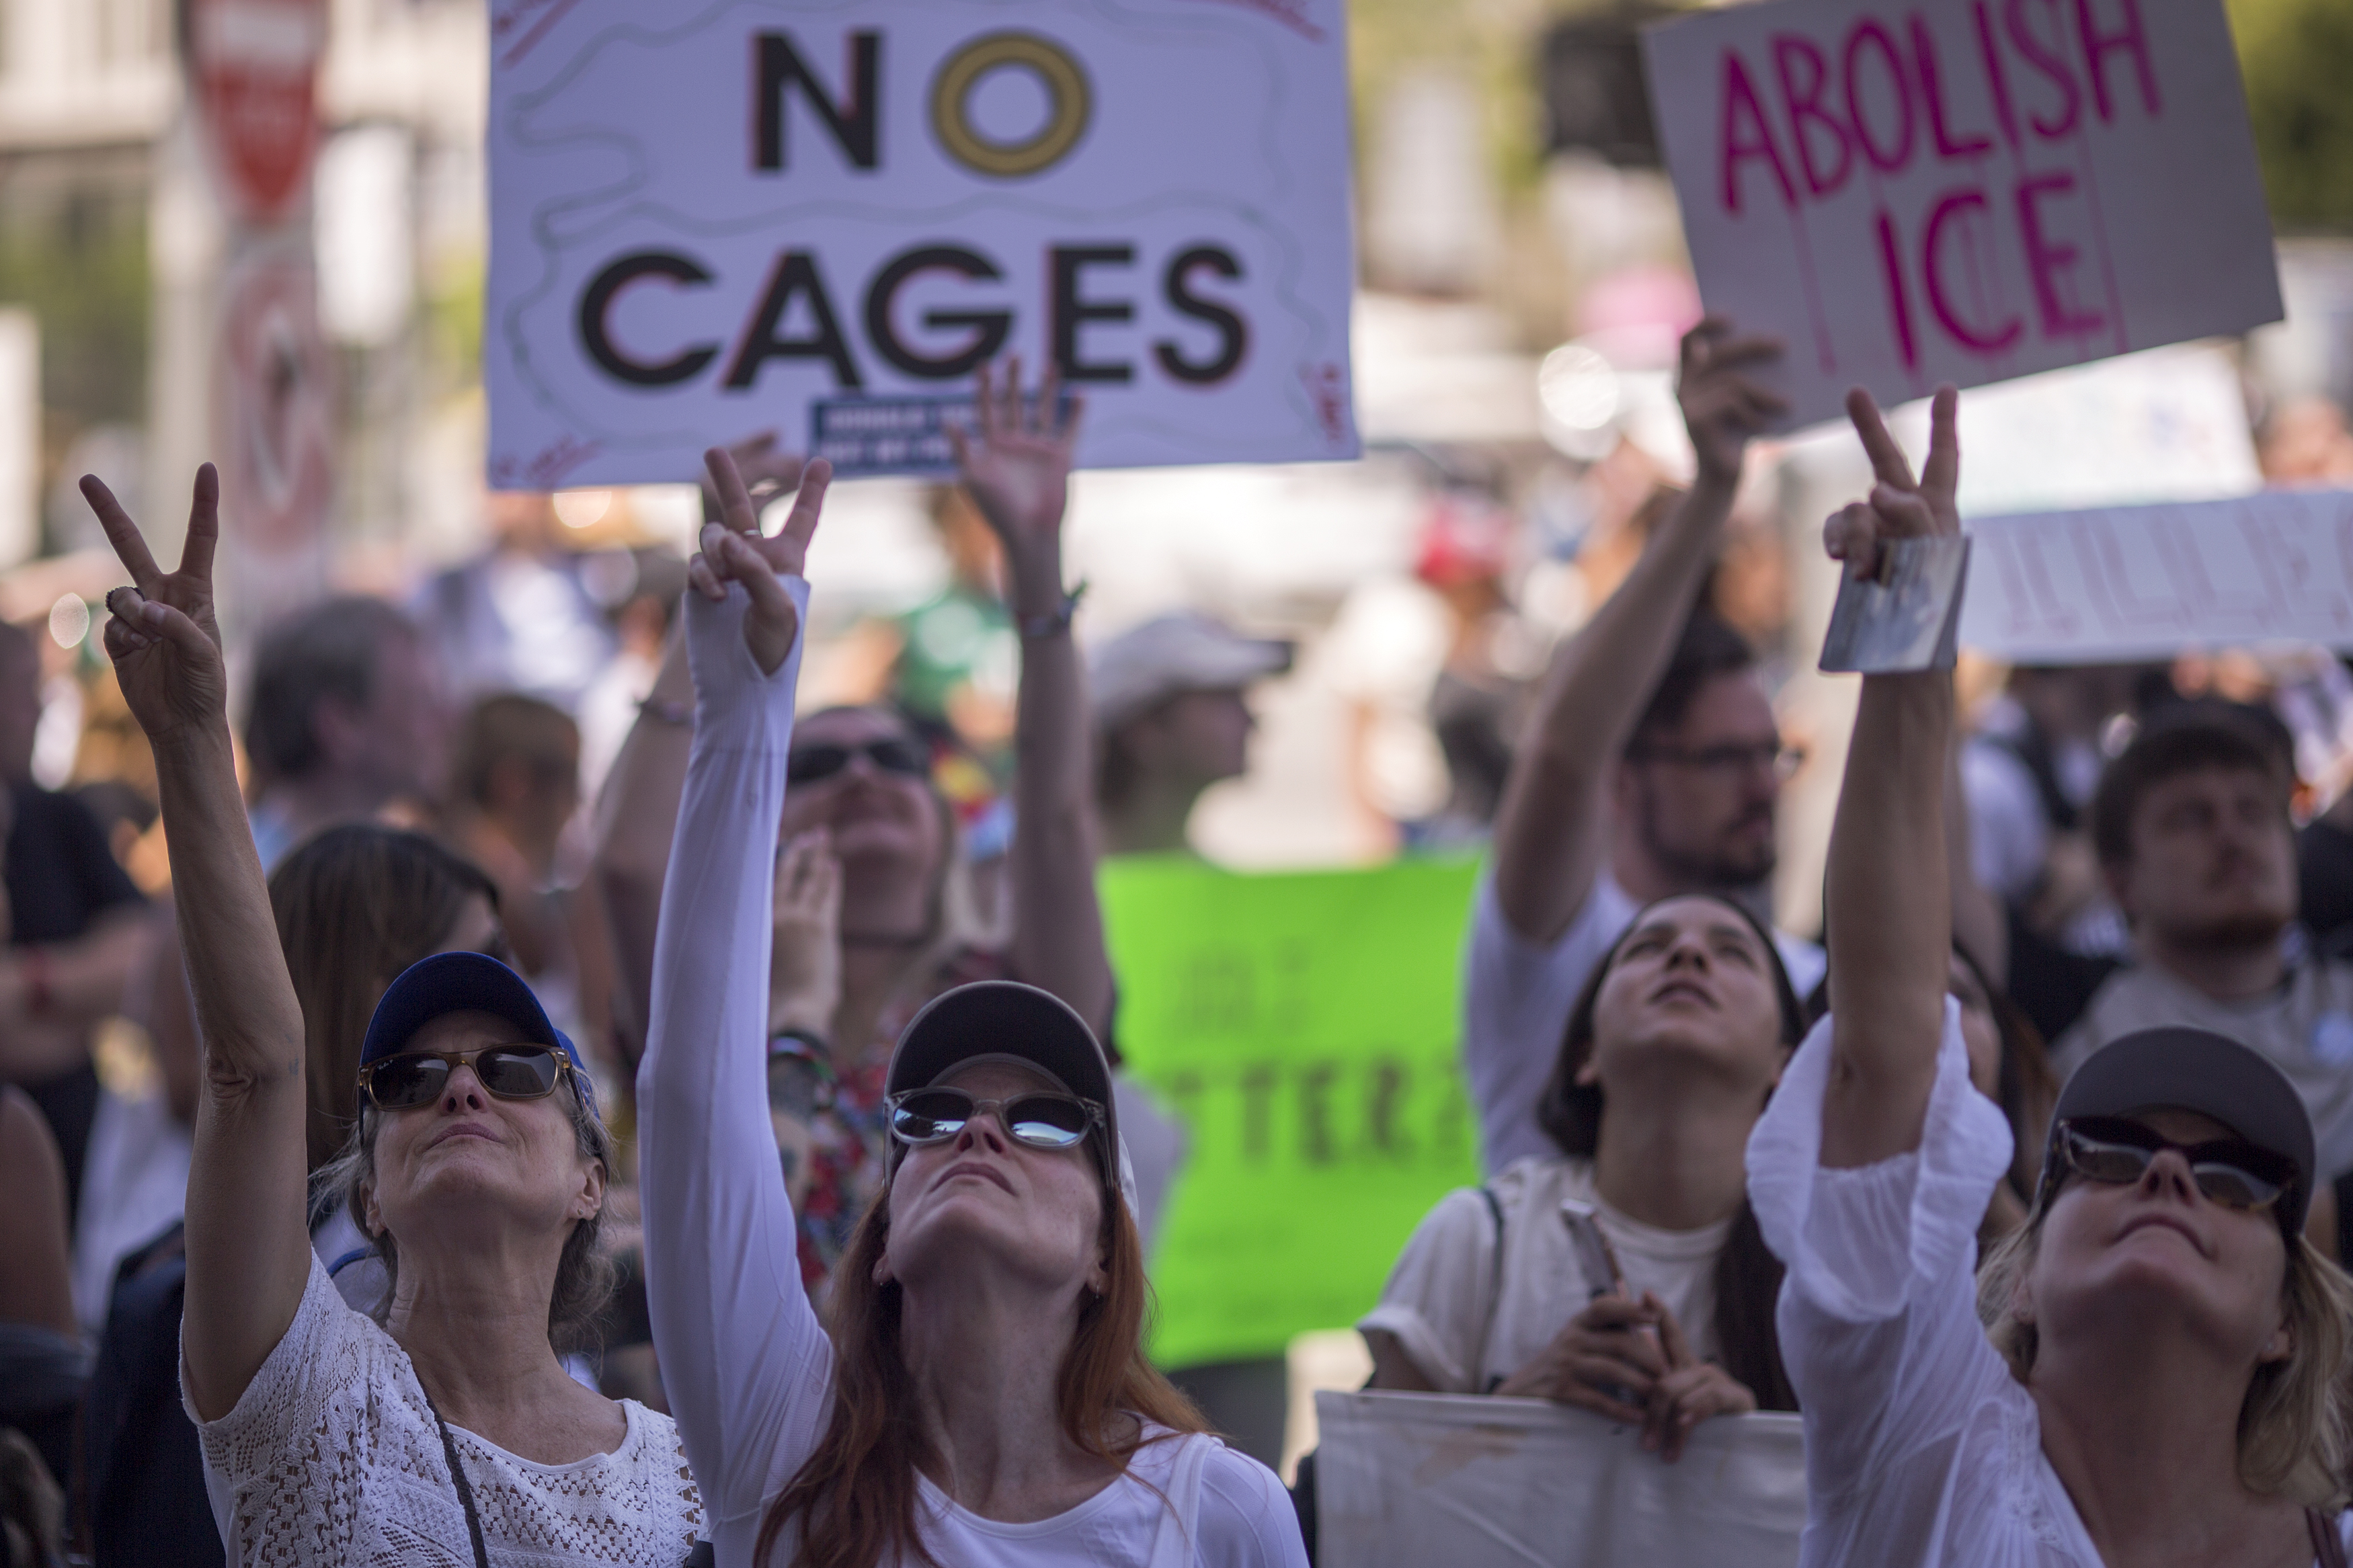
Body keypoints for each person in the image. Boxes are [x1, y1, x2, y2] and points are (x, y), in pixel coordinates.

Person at [635, 414, 1306, 1567]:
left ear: (1110, 1246)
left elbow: (1056, 816)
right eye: (930, 1116)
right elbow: (693, 1099)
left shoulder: (1220, 1509)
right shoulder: (785, 1452)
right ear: (880, 1241)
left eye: (1044, 1118)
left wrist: (1038, 570)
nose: (978, 1130)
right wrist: (745, 697)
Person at [1749, 384, 2353, 1566]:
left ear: (2291, 1314)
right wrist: (1908, 623)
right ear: (2015, 1283)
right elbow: (1885, 1034)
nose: (2170, 1175)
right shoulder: (1914, 1452)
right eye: (2110, 1157)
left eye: (2235, 1179)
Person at [84, 464, 702, 1563]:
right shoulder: (304, 1395)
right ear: (367, 1185)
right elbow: (253, 1066)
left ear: (590, 1180)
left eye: (515, 1068)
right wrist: (189, 736)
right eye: (408, 1081)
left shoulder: (686, 1477)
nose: (460, 1082)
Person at [594, 383, 1174, 1292]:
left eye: (897, 759)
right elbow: (628, 862)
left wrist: (1033, 560)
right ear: (770, 822)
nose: (863, 774)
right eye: (819, 767)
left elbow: (1059, 821)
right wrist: (706, 611)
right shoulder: (724, 994)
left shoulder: (1006, 993)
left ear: (946, 823)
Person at [1466, 318, 1823, 1176]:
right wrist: (1712, 493)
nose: (1760, 786)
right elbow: (1562, 749)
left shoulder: (1806, 982)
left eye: (1769, 756)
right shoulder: (1554, 943)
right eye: (1721, 758)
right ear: (1624, 782)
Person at [1360, 888, 1803, 1459]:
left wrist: (1753, 1454)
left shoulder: (1827, 1272)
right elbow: (1372, 1509)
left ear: (1786, 1066)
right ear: (1585, 1056)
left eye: (1733, 953)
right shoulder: (1479, 1236)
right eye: (1647, 947)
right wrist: (1514, 1413)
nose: (1688, 954)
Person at [2045, 709, 2353, 1180]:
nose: (2232, 836)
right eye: (2190, 818)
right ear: (2120, 882)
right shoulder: (2066, 1003)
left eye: (2254, 811)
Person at [266, 823, 506, 1296]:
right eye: (487, 966)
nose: (516, 996)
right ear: (389, 1002)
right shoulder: (375, 1265)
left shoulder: (283, 1243)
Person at [0, 618, 152, 1225]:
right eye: (19, 690)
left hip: (75, 1162)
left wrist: (31, 983)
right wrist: (72, 1011)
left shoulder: (60, 820)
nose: (36, 711)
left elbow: (142, 958)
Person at [243, 595, 450, 871]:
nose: (446, 722)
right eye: (421, 702)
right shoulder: (250, 889)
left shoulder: (389, 870)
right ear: (341, 725)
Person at [1089, 613, 1291, 856]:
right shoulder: (1052, 883)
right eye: (1225, 699)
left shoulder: (1211, 883)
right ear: (1148, 730)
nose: (1251, 721)